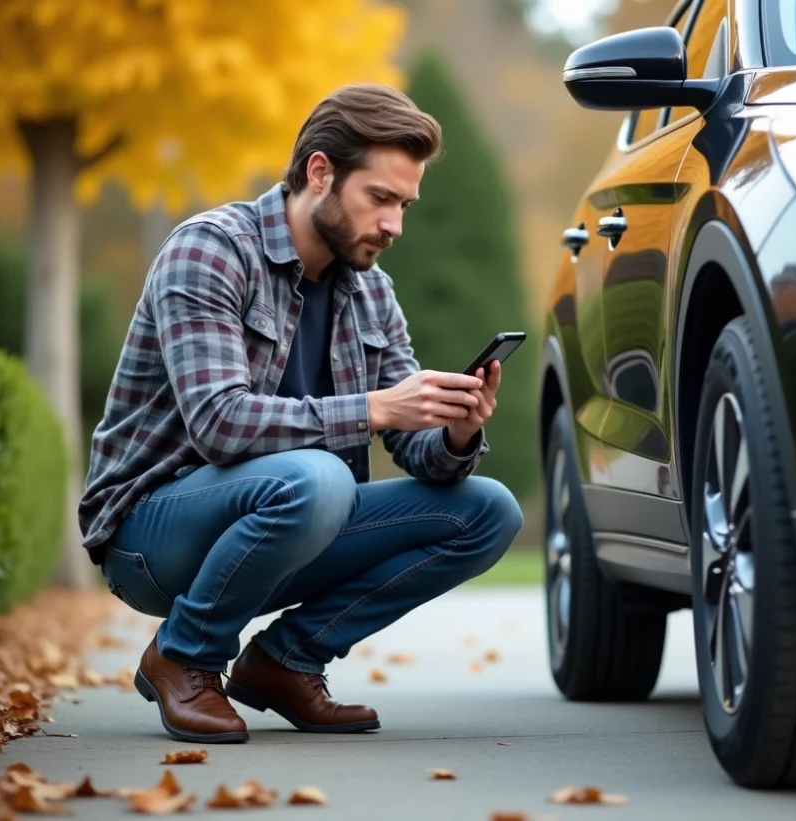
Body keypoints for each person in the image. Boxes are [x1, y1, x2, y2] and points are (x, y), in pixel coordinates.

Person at [77, 83, 524, 744]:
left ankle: (286, 661)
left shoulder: (372, 292)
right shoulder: (209, 250)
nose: (395, 225)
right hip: (151, 535)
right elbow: (219, 423)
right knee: (320, 478)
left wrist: (455, 431)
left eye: (404, 205)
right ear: (320, 173)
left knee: (488, 510)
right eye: (380, 198)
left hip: (297, 517)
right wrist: (375, 408)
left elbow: (416, 449)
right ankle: (184, 653)